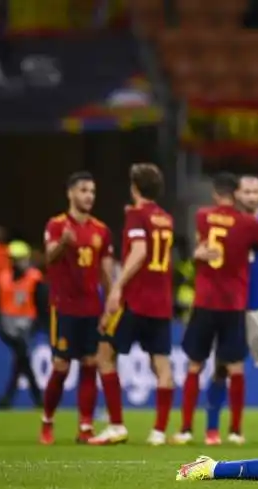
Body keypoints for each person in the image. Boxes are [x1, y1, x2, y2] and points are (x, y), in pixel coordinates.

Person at [170, 172, 258, 445]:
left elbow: (200, 248)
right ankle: (234, 432)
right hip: (233, 305)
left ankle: (186, 430)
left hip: (205, 302)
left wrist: (198, 253)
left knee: (195, 365)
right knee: (235, 368)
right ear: (236, 194)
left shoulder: (202, 216)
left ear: (216, 194)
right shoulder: (248, 224)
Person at [89, 164, 176, 446]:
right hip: (161, 302)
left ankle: (116, 425)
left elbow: (139, 252)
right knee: (161, 365)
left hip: (136, 300)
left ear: (135, 187)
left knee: (104, 354)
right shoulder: (165, 218)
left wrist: (117, 287)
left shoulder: (137, 215)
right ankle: (159, 432)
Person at [207, 175, 258, 446]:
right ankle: (215, 429)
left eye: (256, 191)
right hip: (230, 307)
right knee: (221, 367)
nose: (252, 196)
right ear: (237, 194)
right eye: (247, 192)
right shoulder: (225, 223)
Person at [41, 171, 114, 445]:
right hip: (63, 306)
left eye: (92, 191)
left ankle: (85, 426)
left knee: (90, 364)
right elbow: (48, 257)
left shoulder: (101, 230)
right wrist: (63, 243)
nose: (89, 196)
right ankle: (47, 421)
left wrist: (109, 304)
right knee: (61, 366)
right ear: (70, 193)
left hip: (91, 308)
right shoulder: (57, 225)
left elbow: (106, 272)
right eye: (83, 190)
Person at [0, 240, 44, 410]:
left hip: (26, 325)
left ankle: (10, 398)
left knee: (21, 359)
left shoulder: (35, 278)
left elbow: (41, 302)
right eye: (16, 259)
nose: (20, 262)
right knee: (22, 359)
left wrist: (38, 324)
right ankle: (36, 398)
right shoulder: (3, 278)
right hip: (7, 326)